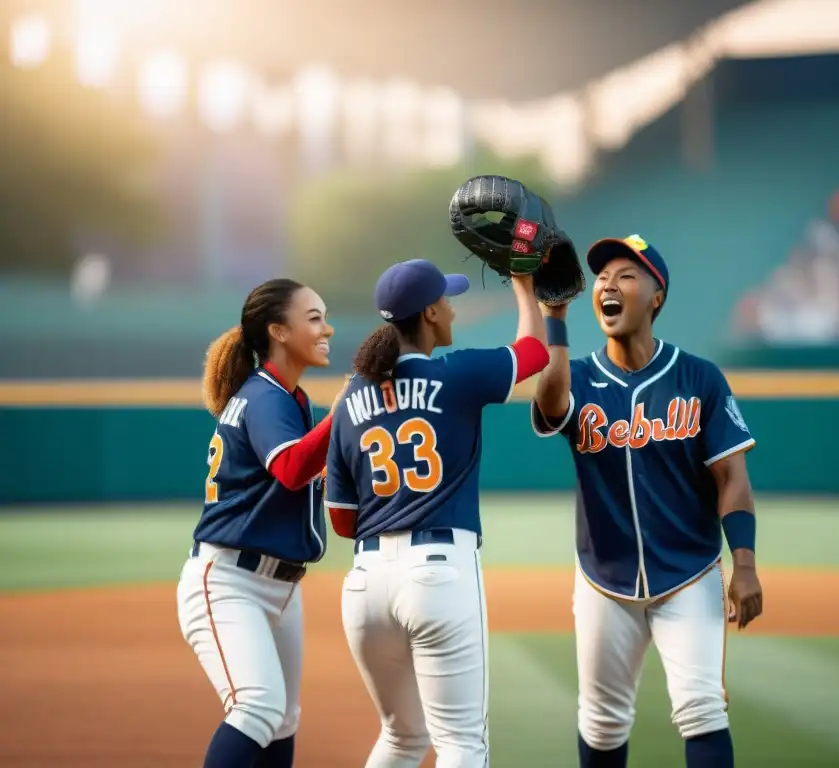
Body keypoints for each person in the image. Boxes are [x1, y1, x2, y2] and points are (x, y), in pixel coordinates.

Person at [530, 235, 764, 768]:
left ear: (657, 296)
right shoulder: (578, 376)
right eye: (602, 278)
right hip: (604, 580)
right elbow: (551, 401)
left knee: (703, 709)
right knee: (602, 721)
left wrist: (745, 563)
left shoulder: (698, 377)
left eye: (626, 276)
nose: (608, 285)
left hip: (689, 573)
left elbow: (732, 477)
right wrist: (554, 319)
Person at [325, 258, 550, 768]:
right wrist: (524, 285)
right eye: (446, 300)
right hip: (438, 575)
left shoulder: (351, 396)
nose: (451, 309)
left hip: (365, 584)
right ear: (429, 313)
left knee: (402, 737)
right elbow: (535, 352)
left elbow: (342, 521)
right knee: (461, 744)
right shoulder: (458, 373)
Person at [176, 278, 337, 768]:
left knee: (282, 719)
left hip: (279, 584)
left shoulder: (289, 398)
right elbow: (291, 468)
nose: (327, 328)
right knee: (258, 708)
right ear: (278, 331)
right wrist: (344, 412)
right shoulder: (266, 397)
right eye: (314, 318)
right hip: (231, 581)